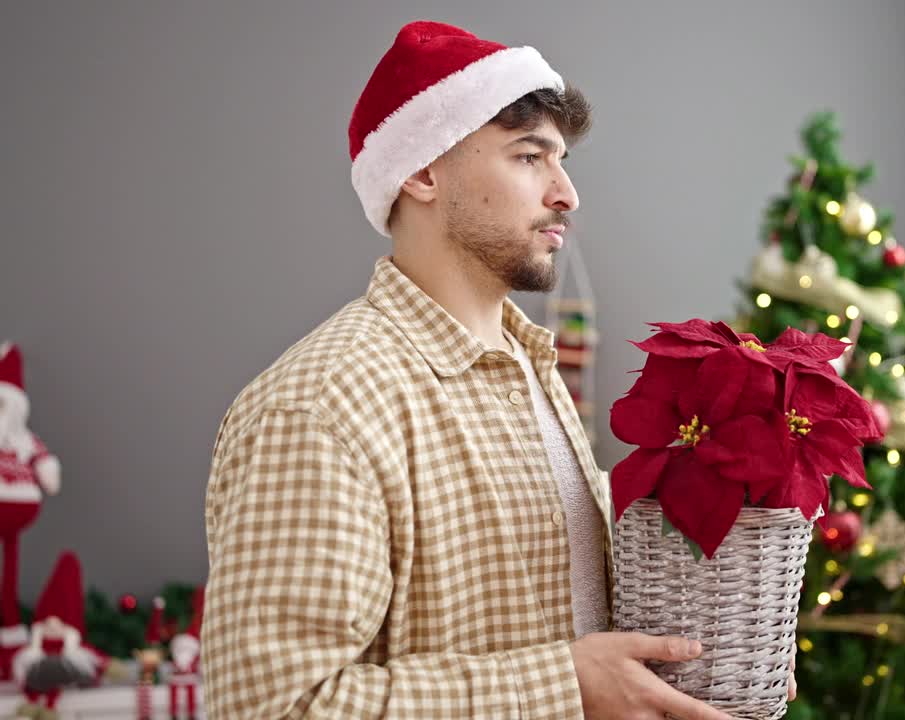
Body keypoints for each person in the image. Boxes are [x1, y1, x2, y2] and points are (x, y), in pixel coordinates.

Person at [202, 20, 791, 719]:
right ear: (421, 171)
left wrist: (689, 677)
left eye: (561, 160)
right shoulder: (321, 408)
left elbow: (575, 632)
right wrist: (565, 688)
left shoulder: (529, 369)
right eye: (527, 157)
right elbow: (275, 706)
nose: (566, 193)